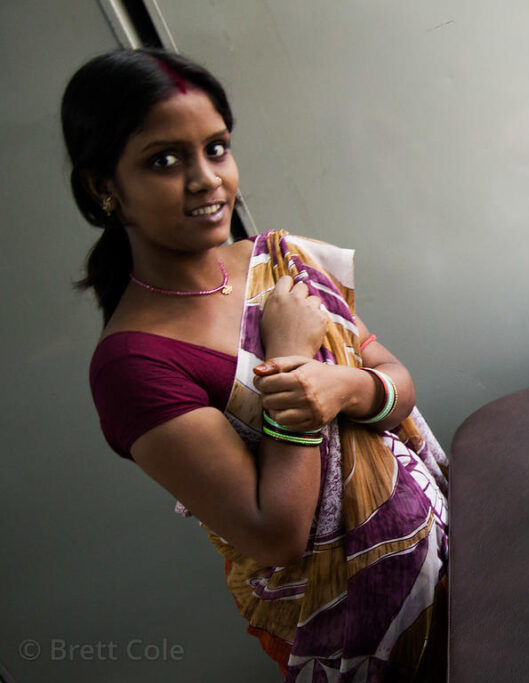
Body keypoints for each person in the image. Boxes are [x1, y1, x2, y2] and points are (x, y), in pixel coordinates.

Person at [62, 48, 448, 681]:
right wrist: (292, 356)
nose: (207, 179)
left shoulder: (280, 257)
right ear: (104, 187)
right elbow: (275, 534)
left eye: (216, 148)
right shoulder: (133, 365)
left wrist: (347, 386)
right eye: (165, 160)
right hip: (348, 627)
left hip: (443, 540)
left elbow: (398, 386)